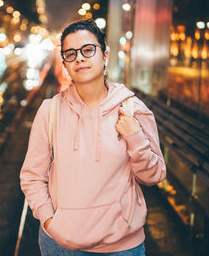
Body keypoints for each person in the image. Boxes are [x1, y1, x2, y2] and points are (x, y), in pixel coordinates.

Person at [20, 19, 166, 255]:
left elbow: (154, 175)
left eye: (88, 50)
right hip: (59, 244)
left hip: (121, 247)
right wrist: (50, 222)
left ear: (105, 56)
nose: (79, 58)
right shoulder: (51, 110)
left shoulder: (132, 109)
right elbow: (32, 177)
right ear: (65, 64)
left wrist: (135, 138)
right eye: (70, 53)